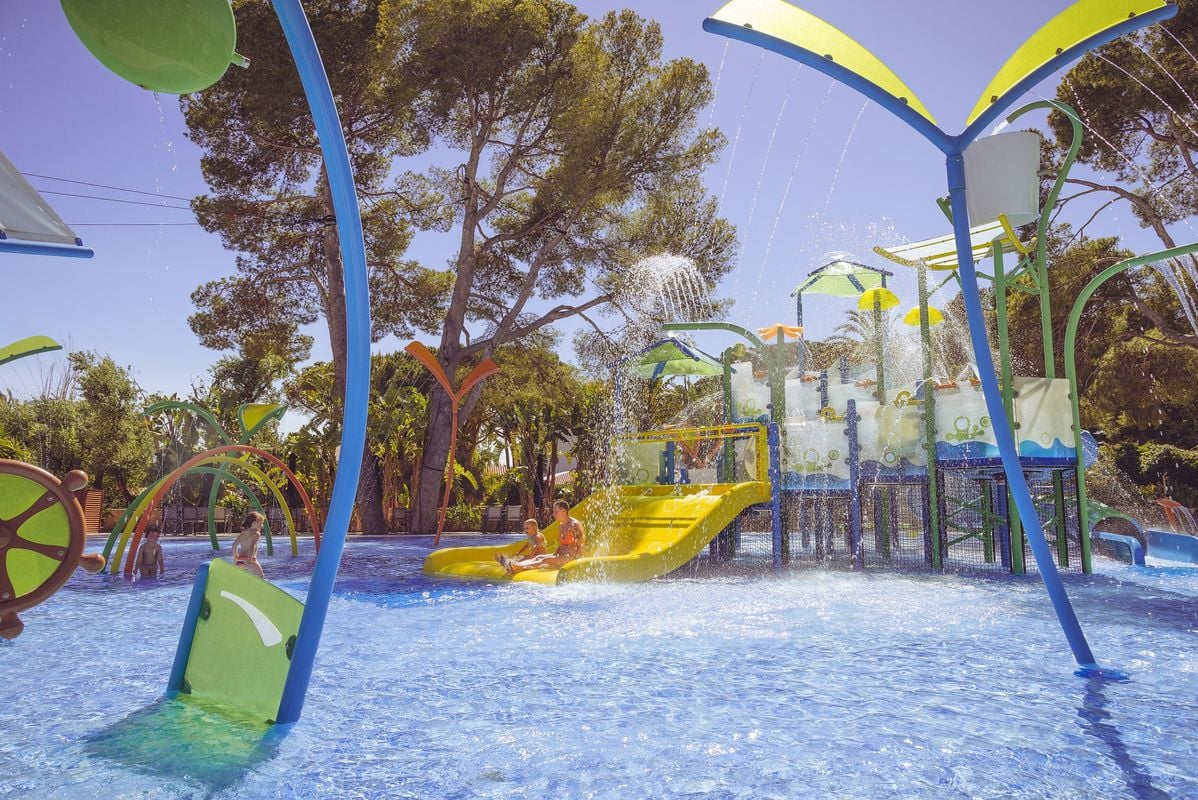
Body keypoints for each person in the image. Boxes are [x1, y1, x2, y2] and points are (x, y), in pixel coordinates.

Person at [501, 500, 584, 575]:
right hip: (561, 555)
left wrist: (576, 563)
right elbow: (562, 544)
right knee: (539, 557)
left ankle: (515, 567)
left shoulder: (574, 525)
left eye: (555, 511)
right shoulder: (561, 525)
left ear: (563, 511)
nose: (553, 514)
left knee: (545, 560)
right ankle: (513, 565)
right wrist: (556, 553)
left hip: (570, 558)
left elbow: (581, 544)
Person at [231, 511, 265, 578]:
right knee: (261, 576)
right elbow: (252, 546)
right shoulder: (256, 534)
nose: (262, 526)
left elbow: (234, 545)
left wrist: (235, 557)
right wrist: (249, 560)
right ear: (254, 523)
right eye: (261, 523)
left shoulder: (243, 533)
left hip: (239, 559)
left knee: (240, 577)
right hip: (250, 559)